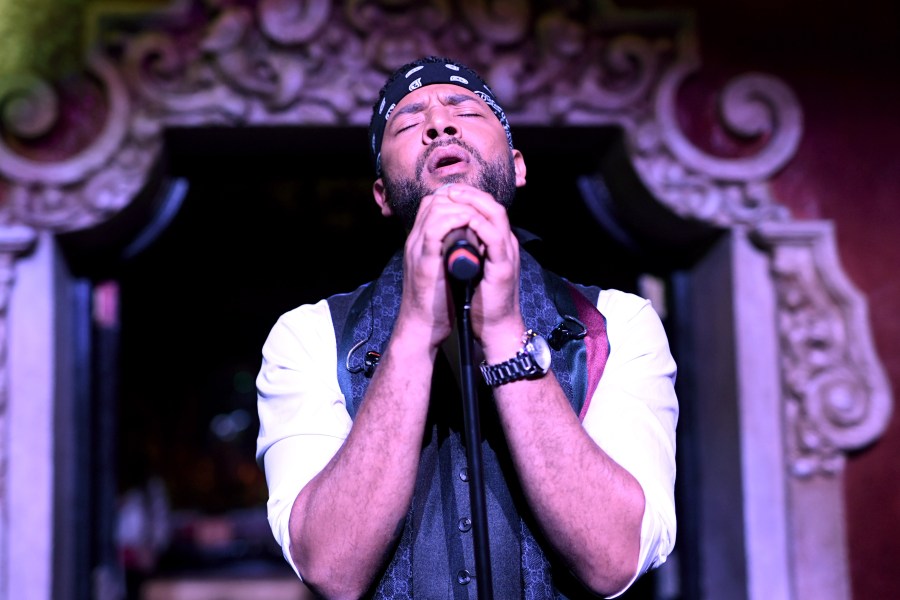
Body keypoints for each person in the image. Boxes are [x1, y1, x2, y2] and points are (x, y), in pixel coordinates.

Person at [256, 56, 678, 599]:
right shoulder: (309, 336)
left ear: (519, 167)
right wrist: (412, 330)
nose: (438, 124)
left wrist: (503, 332)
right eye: (408, 123)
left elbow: (614, 558)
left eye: (465, 110)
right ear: (382, 195)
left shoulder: (617, 325)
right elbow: (333, 568)